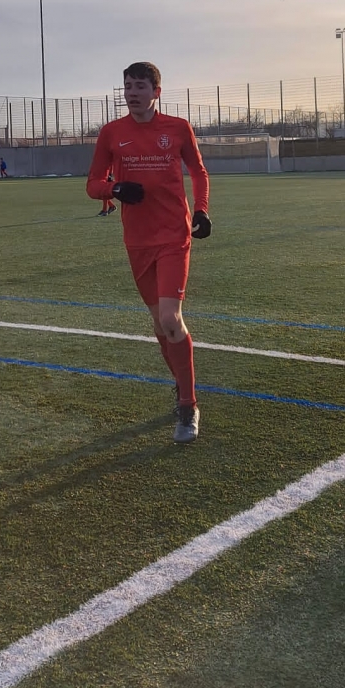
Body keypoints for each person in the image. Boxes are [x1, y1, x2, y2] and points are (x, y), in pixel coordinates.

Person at [86, 61, 211, 444]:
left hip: (174, 234)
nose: (132, 93)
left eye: (140, 86)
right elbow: (93, 183)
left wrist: (201, 209)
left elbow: (198, 172)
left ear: (156, 92)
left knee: (171, 319)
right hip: (137, 241)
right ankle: (182, 385)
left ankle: (188, 407)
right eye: (128, 86)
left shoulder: (178, 128)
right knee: (160, 325)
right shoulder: (112, 133)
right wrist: (115, 190)